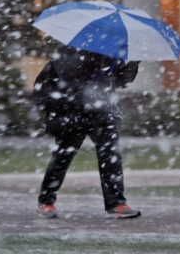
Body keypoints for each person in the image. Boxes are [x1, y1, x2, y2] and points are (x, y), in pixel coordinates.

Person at [33, 45, 141, 219]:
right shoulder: (71, 51)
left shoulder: (112, 54)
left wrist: (134, 63)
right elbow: (70, 78)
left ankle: (116, 203)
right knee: (63, 156)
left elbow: (121, 81)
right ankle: (46, 201)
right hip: (72, 112)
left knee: (111, 156)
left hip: (102, 112)